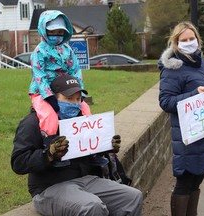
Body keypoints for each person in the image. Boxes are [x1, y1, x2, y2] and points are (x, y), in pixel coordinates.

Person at [11, 74, 143, 216]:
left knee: (133, 197)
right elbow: (18, 163)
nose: (74, 103)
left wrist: (106, 147)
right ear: (53, 99)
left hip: (86, 180)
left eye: (78, 99)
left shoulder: (82, 120)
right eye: (68, 98)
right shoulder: (33, 122)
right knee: (92, 206)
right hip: (49, 187)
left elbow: (89, 150)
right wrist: (48, 155)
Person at [158, 21, 204, 216]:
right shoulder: (172, 69)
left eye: (192, 39)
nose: (189, 42)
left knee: (197, 178)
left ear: (198, 40)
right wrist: (193, 95)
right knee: (185, 181)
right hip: (188, 134)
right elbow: (165, 102)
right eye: (184, 40)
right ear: (176, 43)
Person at [29, 10, 91, 142]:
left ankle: (88, 143)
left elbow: (75, 70)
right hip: (41, 91)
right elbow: (39, 75)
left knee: (85, 110)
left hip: (66, 88)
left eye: (60, 32)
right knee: (49, 116)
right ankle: (50, 144)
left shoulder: (67, 50)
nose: (56, 36)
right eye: (52, 32)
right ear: (44, 30)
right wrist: (49, 97)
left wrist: (79, 91)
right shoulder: (39, 51)